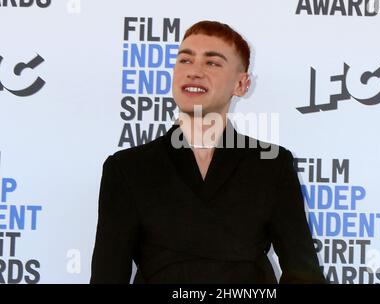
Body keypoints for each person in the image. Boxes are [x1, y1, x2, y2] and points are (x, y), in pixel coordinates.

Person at [90, 20, 326, 284]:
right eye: (185, 60)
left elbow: (304, 272)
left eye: (212, 63)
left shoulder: (272, 164)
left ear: (242, 85)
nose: (194, 72)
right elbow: (107, 276)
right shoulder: (127, 168)